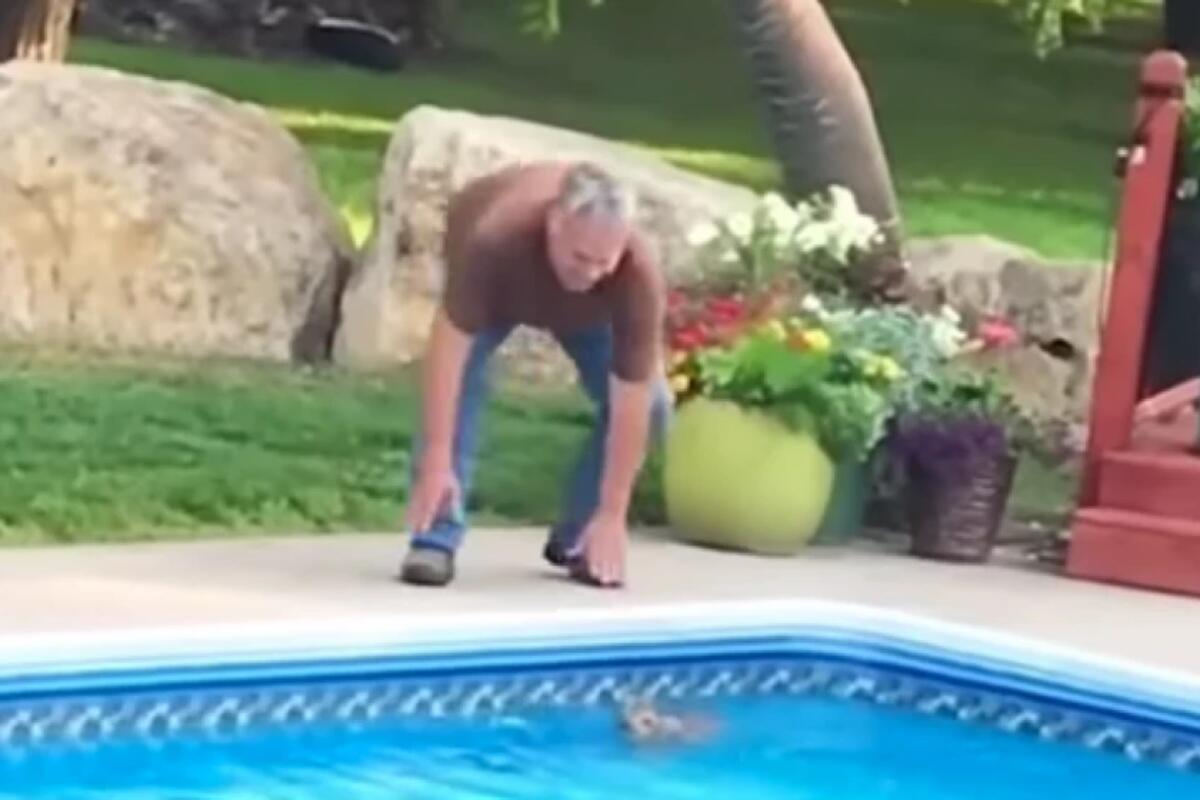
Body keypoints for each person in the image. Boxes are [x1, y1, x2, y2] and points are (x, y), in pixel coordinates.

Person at [399, 161, 672, 589]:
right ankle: (435, 537)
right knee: (462, 385)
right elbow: (448, 353)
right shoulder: (497, 237)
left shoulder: (636, 272)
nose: (590, 273)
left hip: (586, 316)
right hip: (501, 291)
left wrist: (612, 514)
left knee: (656, 405)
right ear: (555, 223)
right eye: (580, 257)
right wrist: (436, 458)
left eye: (603, 262)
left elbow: (633, 393)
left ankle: (581, 538)